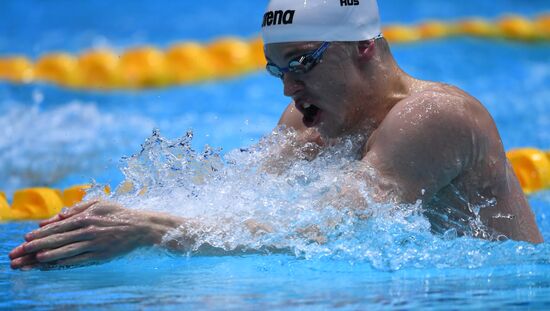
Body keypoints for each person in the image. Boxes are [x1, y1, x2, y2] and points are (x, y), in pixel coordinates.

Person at [9, 0, 543, 270]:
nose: (288, 88)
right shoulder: (310, 119)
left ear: (362, 47)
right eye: (276, 69)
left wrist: (152, 229)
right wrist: (107, 220)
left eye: (302, 62)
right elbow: (234, 198)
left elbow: (332, 225)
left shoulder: (437, 118)